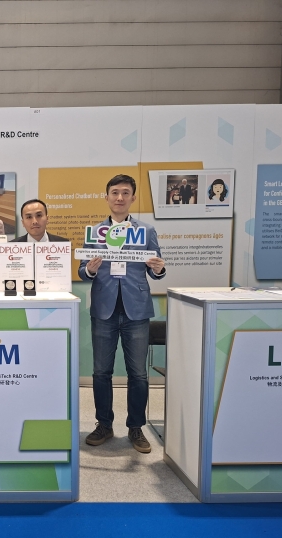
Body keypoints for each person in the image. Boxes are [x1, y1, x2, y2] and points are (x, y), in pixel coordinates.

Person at [78, 174, 166, 454]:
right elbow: (82, 271)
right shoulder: (95, 232)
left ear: (133, 198)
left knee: (138, 374)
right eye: (114, 192)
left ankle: (135, 427)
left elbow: (157, 269)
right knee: (101, 372)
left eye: (125, 193)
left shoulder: (147, 231)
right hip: (104, 308)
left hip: (136, 310)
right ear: (106, 197)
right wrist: (89, 269)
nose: (119, 197)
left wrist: (159, 268)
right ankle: (104, 424)